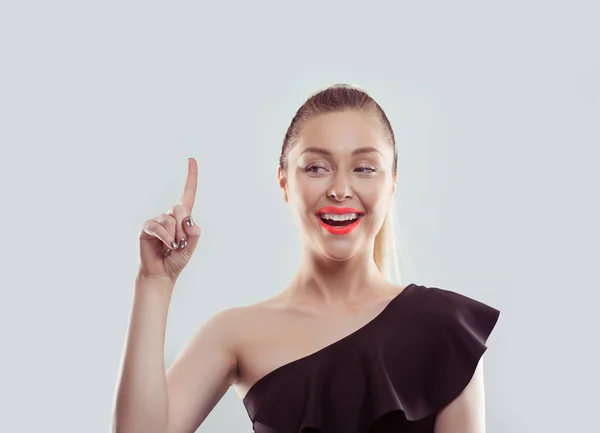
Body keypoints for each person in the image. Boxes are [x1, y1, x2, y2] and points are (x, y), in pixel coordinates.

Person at [111, 84, 501, 433]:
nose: (340, 189)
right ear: (284, 180)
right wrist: (154, 283)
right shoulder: (235, 333)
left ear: (392, 182)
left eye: (365, 168)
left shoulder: (446, 329)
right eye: (316, 167)